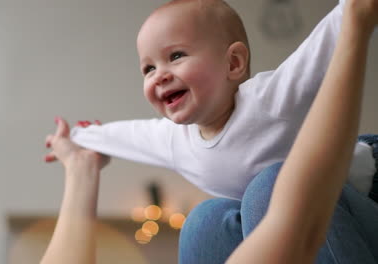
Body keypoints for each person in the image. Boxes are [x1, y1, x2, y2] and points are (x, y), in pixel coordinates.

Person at [41, 1, 377, 262]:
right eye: (148, 68)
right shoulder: (175, 141)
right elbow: (129, 136)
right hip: (288, 220)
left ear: (233, 63)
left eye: (176, 56)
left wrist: (351, 9)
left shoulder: (269, 99)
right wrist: (82, 139)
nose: (159, 75)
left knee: (268, 186)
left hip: (366, 188)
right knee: (203, 220)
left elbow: (323, 46)